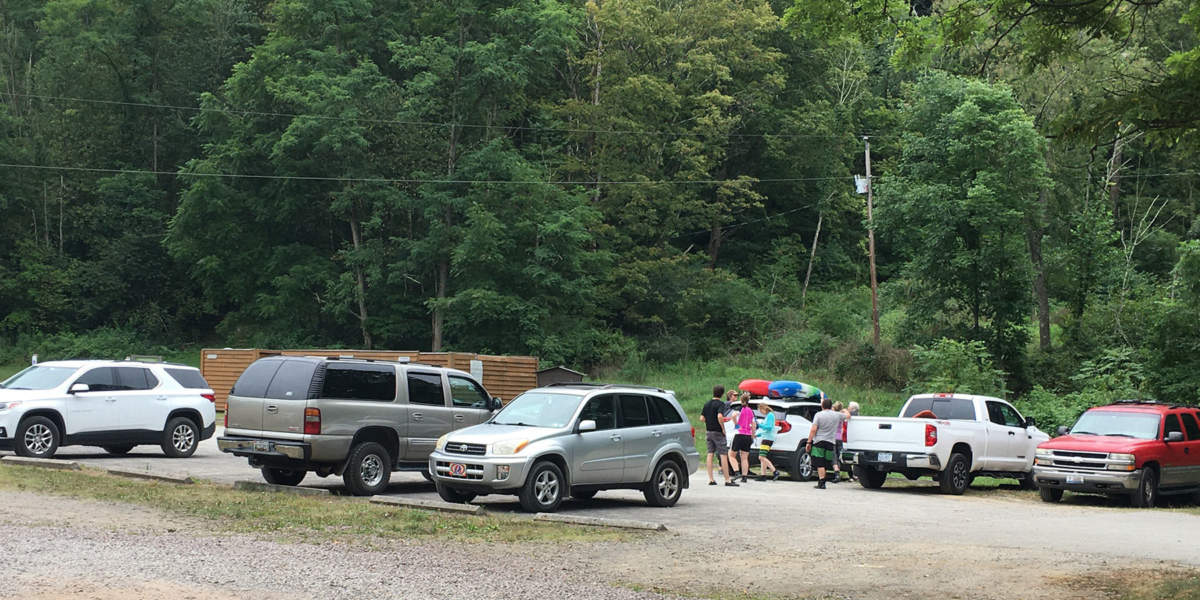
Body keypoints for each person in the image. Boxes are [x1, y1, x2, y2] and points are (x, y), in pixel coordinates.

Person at [699, 385, 738, 486]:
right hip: (718, 432)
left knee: (710, 453)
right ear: (722, 394)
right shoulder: (720, 404)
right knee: (723, 454)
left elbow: (702, 418)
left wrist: (709, 421)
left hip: (709, 431)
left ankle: (711, 479)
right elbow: (720, 416)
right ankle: (727, 479)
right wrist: (723, 428)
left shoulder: (707, 404)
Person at [806, 397, 849, 489]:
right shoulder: (837, 415)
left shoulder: (818, 415)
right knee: (825, 462)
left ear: (822, 406)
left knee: (819, 462)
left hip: (819, 441)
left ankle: (822, 482)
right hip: (831, 442)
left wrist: (809, 442)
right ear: (831, 406)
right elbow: (848, 416)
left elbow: (813, 429)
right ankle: (822, 480)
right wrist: (845, 410)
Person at [731, 392, 755, 483]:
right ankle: (744, 477)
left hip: (739, 433)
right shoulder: (750, 411)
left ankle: (737, 472)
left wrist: (736, 424)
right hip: (748, 435)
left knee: (732, 455)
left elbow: (733, 416)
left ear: (741, 400)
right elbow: (753, 424)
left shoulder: (739, 409)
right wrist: (752, 435)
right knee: (744, 457)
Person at [754, 401, 780, 481]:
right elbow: (766, 430)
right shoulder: (769, 416)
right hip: (766, 438)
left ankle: (775, 471)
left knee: (761, 457)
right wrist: (758, 435)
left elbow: (769, 428)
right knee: (763, 457)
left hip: (768, 439)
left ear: (763, 408)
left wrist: (759, 425)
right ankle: (763, 475)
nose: (761, 412)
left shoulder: (770, 415)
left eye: (760, 410)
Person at [845, 402, 860, 481]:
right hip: (855, 438)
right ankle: (853, 475)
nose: (848, 408)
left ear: (853, 409)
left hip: (850, 439)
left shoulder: (851, 415)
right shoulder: (858, 416)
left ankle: (853, 475)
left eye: (849, 407)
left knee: (850, 457)